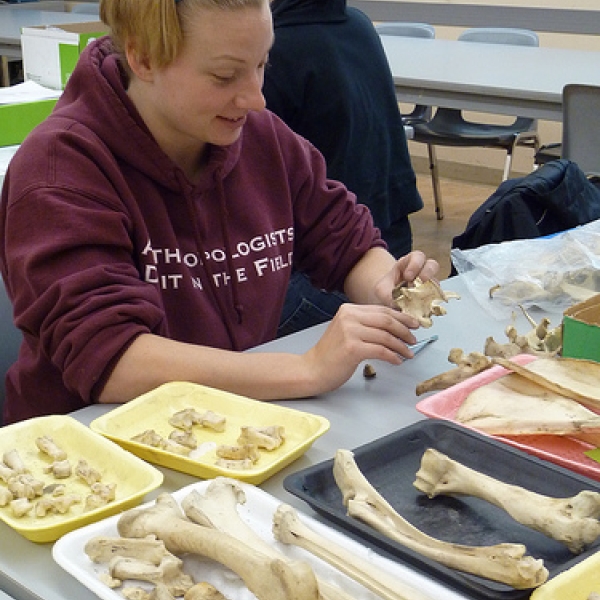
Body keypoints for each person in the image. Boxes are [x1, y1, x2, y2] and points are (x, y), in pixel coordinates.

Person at [0, 0, 438, 425]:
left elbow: (344, 240)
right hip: (83, 451)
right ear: (143, 58)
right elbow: (112, 359)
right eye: (225, 75)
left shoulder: (263, 140)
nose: (255, 98)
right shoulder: (60, 169)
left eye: (262, 65)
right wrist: (307, 369)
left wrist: (388, 285)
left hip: (225, 425)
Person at [263, 0, 424, 335]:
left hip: (346, 256)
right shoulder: (358, 25)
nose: (250, 98)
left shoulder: (282, 45)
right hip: (391, 233)